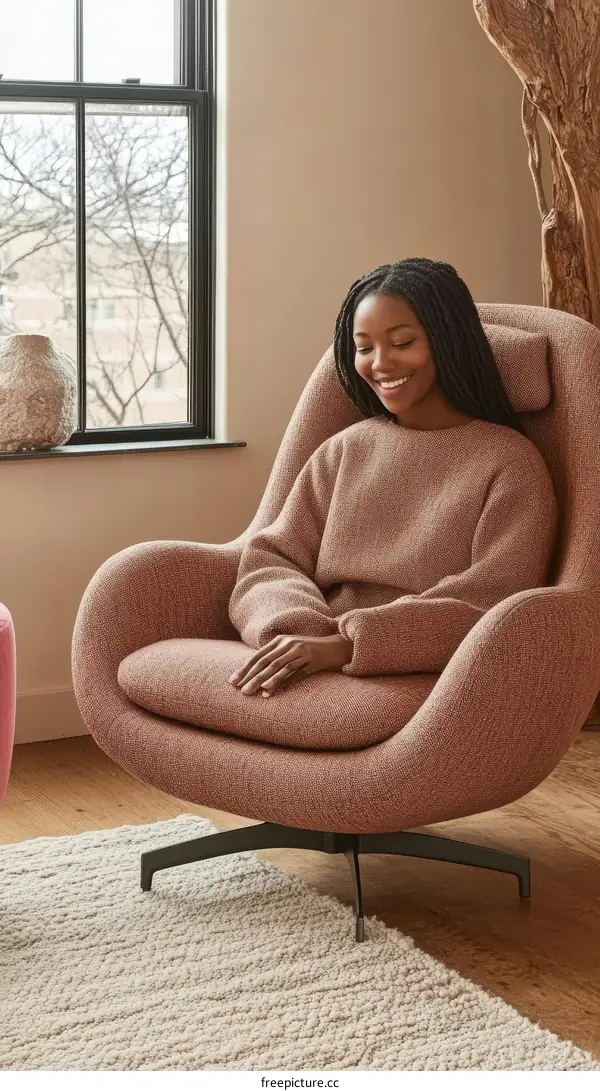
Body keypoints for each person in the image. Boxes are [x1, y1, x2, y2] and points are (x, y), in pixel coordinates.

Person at [227, 257, 558, 699]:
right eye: (364, 347)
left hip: (427, 677)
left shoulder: (510, 463)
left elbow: (493, 603)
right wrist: (301, 636)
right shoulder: (344, 449)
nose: (380, 363)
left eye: (401, 342)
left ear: (448, 342)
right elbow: (270, 560)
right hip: (309, 653)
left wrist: (347, 646)